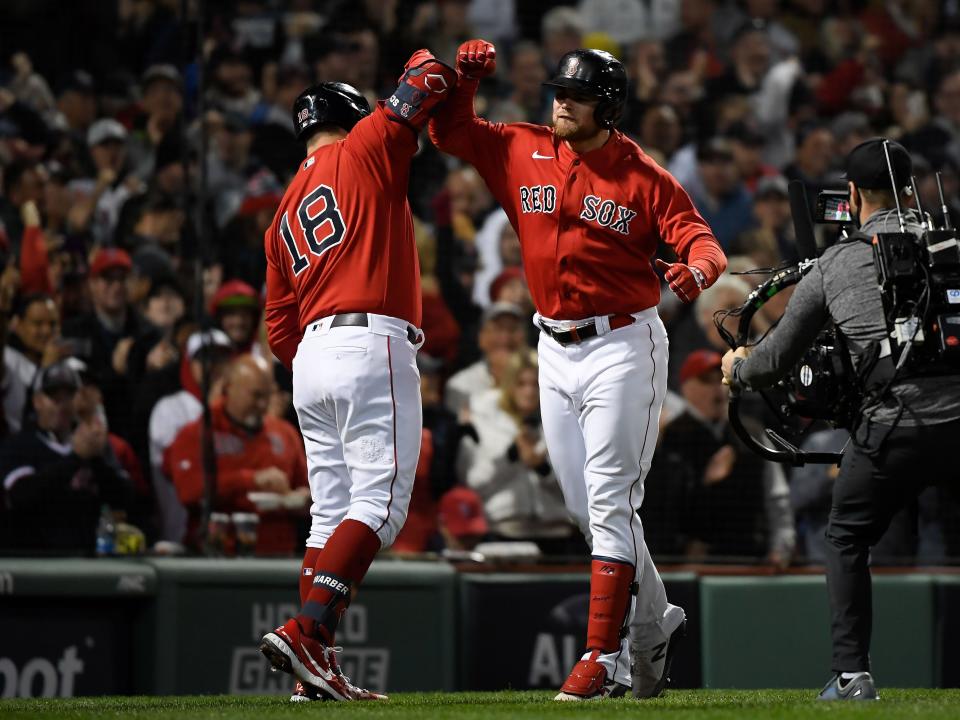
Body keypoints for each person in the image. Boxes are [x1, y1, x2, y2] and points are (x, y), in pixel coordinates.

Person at [429, 42, 727, 699]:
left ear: (608, 107)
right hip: (551, 345)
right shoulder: (521, 146)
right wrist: (467, 82)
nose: (561, 102)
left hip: (623, 344)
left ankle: (604, 656)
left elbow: (704, 241)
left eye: (577, 95)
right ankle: (656, 623)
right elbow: (449, 130)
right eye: (558, 93)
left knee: (612, 497)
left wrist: (696, 270)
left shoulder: (643, 175)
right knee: (585, 506)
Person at [722, 138, 960, 700]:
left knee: (847, 534)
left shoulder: (837, 261)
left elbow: (775, 359)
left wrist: (738, 369)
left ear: (851, 196)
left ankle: (853, 674)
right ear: (912, 190)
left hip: (891, 427)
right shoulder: (952, 244)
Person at [256, 52, 458, 703]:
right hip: (372, 340)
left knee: (329, 514)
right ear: (350, 113)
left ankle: (315, 674)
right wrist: (444, 66)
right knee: (379, 506)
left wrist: (321, 361)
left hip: (311, 359)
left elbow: (278, 332)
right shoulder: (366, 144)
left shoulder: (284, 210)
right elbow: (427, 76)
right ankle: (309, 633)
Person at [166, 355, 308, 555]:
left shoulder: (285, 433)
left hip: (278, 557)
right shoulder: (198, 433)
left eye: (267, 396)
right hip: (216, 557)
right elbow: (189, 491)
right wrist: (250, 480)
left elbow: (307, 490)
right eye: (256, 395)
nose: (262, 405)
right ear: (229, 388)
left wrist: (303, 499)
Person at [0, 361, 132, 555]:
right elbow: (20, 495)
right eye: (54, 397)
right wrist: (76, 459)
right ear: (37, 401)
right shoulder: (20, 445)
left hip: (84, 561)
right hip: (34, 563)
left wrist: (95, 461)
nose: (62, 405)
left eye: (68, 396)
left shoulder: (92, 446)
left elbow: (126, 498)